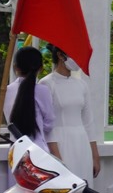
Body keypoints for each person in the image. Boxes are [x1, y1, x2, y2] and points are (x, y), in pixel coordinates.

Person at [40, 46, 102, 182]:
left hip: (82, 143)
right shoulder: (46, 83)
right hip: (61, 144)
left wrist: (95, 155)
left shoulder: (81, 84)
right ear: (61, 56)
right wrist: (57, 158)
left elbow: (88, 121)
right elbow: (47, 124)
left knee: (83, 185)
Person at [3, 45, 60, 157]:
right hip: (38, 151)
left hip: (15, 152)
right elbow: (49, 123)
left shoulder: (6, 91)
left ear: (15, 68)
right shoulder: (42, 90)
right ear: (41, 68)